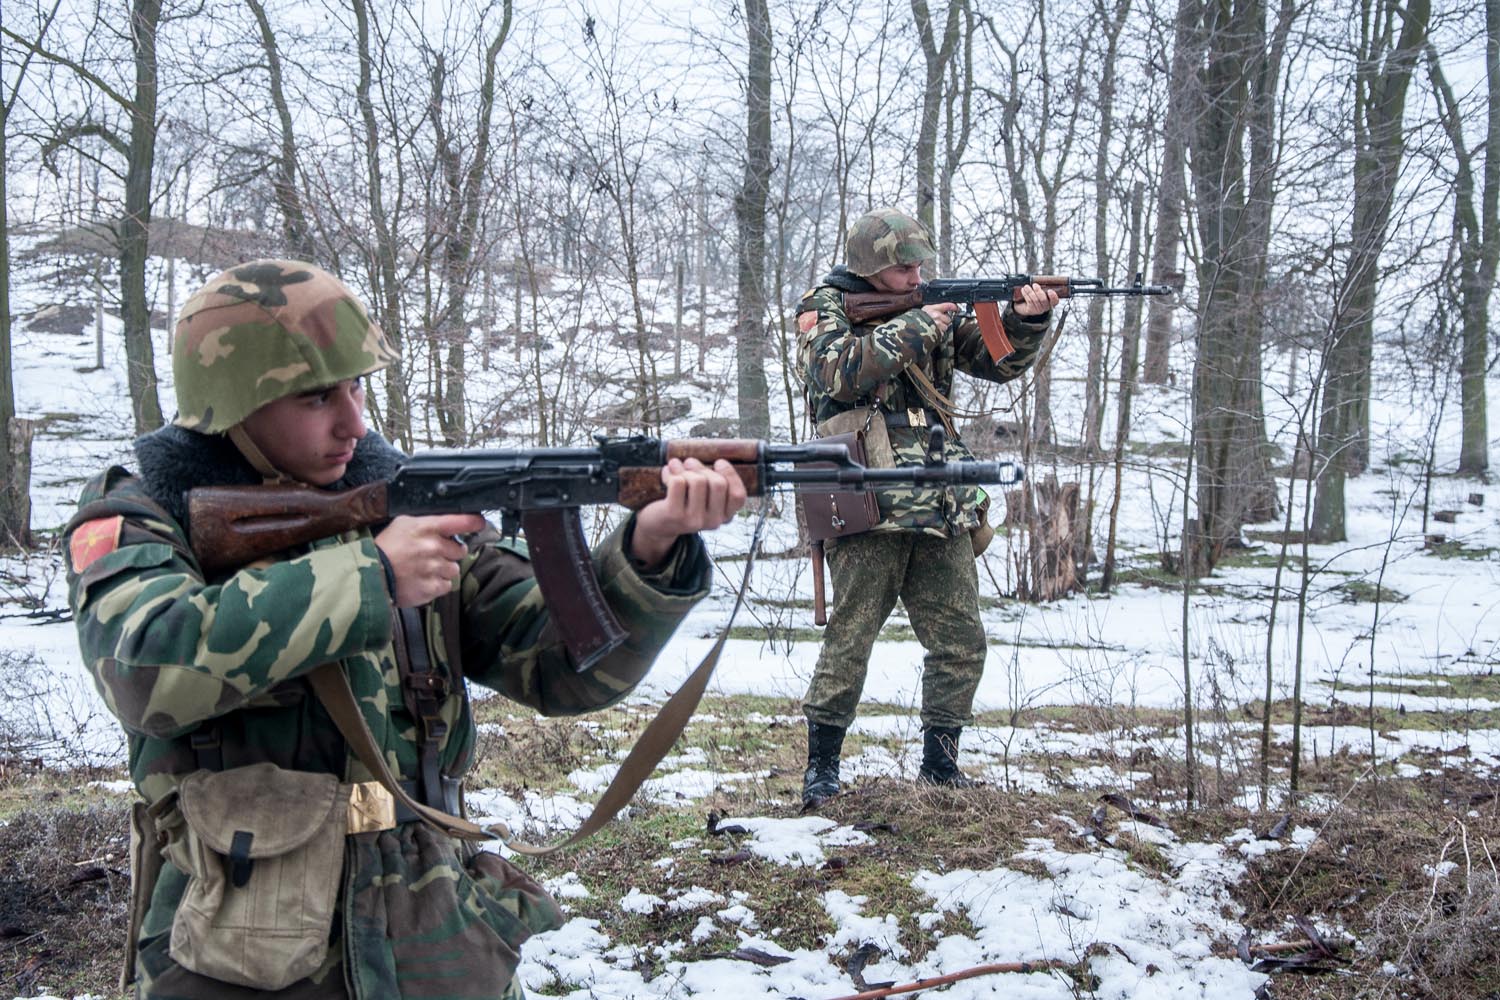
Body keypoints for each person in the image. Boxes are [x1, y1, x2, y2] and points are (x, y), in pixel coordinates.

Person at [64, 259, 747, 999]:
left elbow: (565, 668)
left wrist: (651, 547)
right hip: (236, 948)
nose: (354, 422)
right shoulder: (142, 515)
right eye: (317, 396)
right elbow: (141, 668)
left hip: (432, 931)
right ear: (234, 404)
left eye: (357, 387)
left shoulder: (401, 503)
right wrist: (370, 578)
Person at [796, 208, 1057, 808]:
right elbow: (836, 372)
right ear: (870, 266)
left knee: (961, 637)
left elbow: (995, 363)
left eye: (919, 264)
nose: (916, 274)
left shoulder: (925, 306)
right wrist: (919, 324)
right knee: (851, 637)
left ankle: (941, 767)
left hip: (940, 496)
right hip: (865, 492)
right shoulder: (826, 305)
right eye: (902, 266)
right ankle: (822, 772)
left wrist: (1025, 321)